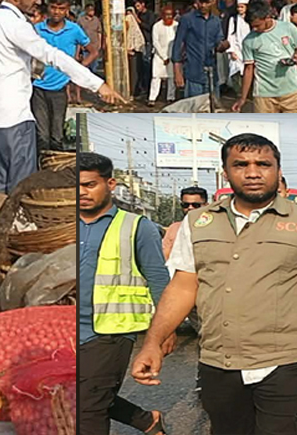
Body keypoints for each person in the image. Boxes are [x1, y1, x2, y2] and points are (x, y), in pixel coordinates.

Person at [130, 133, 297, 435]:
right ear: (226, 172)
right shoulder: (198, 223)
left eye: (263, 164)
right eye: (241, 164)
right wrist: (153, 342)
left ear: (278, 171)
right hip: (219, 360)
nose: (253, 172)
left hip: (287, 360)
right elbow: (183, 286)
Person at [0, 0, 122, 194]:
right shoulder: (14, 24)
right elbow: (51, 55)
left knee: (0, 179)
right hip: (16, 116)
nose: (38, 1)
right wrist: (97, 84)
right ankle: (15, 217)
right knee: (21, 185)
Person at [78, 153, 171, 435]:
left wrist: (165, 331)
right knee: (79, 394)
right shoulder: (62, 225)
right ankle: (146, 420)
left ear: (111, 184)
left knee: (89, 407)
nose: (81, 193)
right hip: (64, 329)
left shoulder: (137, 227)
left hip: (110, 331)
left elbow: (158, 279)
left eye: (90, 185)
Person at [33, 0, 97, 151]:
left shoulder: (74, 30)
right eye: (53, 7)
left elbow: (93, 51)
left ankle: (55, 163)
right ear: (48, 7)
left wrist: (77, 70)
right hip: (37, 87)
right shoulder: (37, 29)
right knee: (41, 135)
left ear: (67, 9)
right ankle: (42, 164)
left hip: (60, 88)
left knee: (57, 135)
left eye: (61, 8)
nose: (57, 12)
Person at [233, 2, 297, 114]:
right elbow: (248, 69)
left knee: (295, 124)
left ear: (267, 17)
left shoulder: (288, 28)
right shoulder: (249, 41)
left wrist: (296, 58)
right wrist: (243, 98)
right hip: (264, 96)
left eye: (258, 25)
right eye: (252, 26)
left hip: (291, 92)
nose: (255, 29)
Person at [171, 0, 229, 99]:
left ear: (213, 1)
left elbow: (218, 42)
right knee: (194, 107)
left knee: (212, 107)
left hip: (211, 74)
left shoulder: (216, 21)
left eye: (207, 2)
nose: (203, 5)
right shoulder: (187, 19)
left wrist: (223, 46)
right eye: (201, 2)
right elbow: (177, 45)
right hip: (193, 73)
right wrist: (177, 71)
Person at [161, 186, 208, 262]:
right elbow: (165, 255)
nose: (190, 208)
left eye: (195, 205)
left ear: (206, 205)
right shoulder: (174, 228)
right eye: (186, 205)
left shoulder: (213, 228)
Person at [148, 5, 178, 106]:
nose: (168, 17)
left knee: (171, 77)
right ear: (162, 15)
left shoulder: (177, 26)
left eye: (170, 15)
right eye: (166, 15)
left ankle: (170, 97)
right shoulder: (157, 26)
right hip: (159, 56)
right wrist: (164, 57)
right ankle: (152, 98)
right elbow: (155, 42)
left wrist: (172, 56)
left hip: (172, 55)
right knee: (156, 77)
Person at [134, 0, 159, 97]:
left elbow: (150, 27)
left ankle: (148, 88)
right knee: (140, 67)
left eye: (138, 6)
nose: (137, 8)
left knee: (147, 65)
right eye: (136, 7)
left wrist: (139, 21)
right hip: (140, 44)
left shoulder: (150, 15)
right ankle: (142, 87)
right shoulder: (138, 14)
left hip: (148, 42)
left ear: (143, 4)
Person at [225, 0, 250, 88]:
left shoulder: (250, 19)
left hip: (248, 51)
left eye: (242, 7)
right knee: (236, 72)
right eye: (238, 7)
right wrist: (231, 51)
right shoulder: (233, 19)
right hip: (237, 50)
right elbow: (230, 36)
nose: (240, 9)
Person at [124, 7, 146, 94]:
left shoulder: (128, 19)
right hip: (136, 48)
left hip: (133, 48)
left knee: (133, 72)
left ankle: (133, 91)